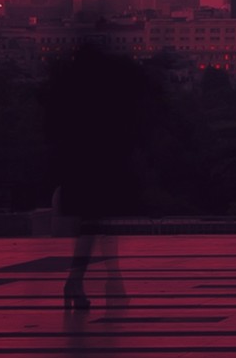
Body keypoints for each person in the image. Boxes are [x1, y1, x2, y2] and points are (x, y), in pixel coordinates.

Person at [40, 35, 154, 313]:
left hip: (84, 170)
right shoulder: (98, 102)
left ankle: (87, 282)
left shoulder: (70, 97)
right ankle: (100, 283)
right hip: (92, 171)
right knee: (97, 230)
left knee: (94, 231)